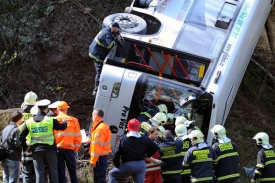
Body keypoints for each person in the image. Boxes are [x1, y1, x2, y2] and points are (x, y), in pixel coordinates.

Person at [20, 99, 67, 183]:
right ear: (46, 109)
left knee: (39, 172)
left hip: (36, 150)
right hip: (49, 150)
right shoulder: (50, 120)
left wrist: (26, 147)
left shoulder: (29, 122)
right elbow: (62, 127)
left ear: (38, 109)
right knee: (53, 171)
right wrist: (64, 121)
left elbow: (21, 136)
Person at [108, 118, 159, 183]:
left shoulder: (123, 138)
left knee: (112, 174)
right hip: (141, 165)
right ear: (139, 128)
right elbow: (155, 147)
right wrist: (147, 155)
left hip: (128, 165)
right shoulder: (145, 138)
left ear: (128, 127)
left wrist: (117, 165)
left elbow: (116, 154)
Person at [89, 22, 123, 95]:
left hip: (97, 51)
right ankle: (96, 90)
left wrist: (117, 38)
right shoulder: (106, 34)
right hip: (97, 54)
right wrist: (116, 40)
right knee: (99, 71)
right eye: (117, 29)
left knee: (100, 71)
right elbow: (108, 45)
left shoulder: (109, 31)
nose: (117, 31)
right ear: (114, 28)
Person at [54, 101, 81, 183]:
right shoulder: (74, 120)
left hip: (57, 149)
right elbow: (78, 137)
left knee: (60, 172)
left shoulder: (53, 121)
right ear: (66, 109)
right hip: (70, 149)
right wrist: (76, 150)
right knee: (72, 172)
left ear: (57, 110)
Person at [89, 108, 112, 183]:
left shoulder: (100, 129)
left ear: (95, 116)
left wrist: (93, 161)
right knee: (100, 178)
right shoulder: (104, 126)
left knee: (99, 179)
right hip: (102, 157)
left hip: (99, 158)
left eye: (92, 116)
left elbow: (97, 147)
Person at [19, 92, 38, 183]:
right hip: (38, 145)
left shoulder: (19, 114)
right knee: (38, 172)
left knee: (26, 173)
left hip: (24, 146)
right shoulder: (38, 114)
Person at [1, 111, 23, 183]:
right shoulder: (16, 130)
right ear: (19, 119)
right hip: (13, 158)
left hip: (4, 158)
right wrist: (22, 150)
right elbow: (18, 144)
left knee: (6, 179)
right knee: (13, 180)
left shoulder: (5, 129)